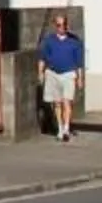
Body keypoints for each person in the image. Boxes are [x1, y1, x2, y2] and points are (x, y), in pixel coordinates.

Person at [38, 12, 85, 142]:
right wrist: (40, 73)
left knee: (67, 101)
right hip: (53, 73)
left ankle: (66, 128)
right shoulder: (49, 41)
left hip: (69, 74)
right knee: (57, 103)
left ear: (67, 25)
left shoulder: (74, 41)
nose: (61, 27)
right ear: (55, 26)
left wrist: (80, 78)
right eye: (59, 25)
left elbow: (79, 62)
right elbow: (42, 58)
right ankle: (59, 128)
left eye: (64, 25)